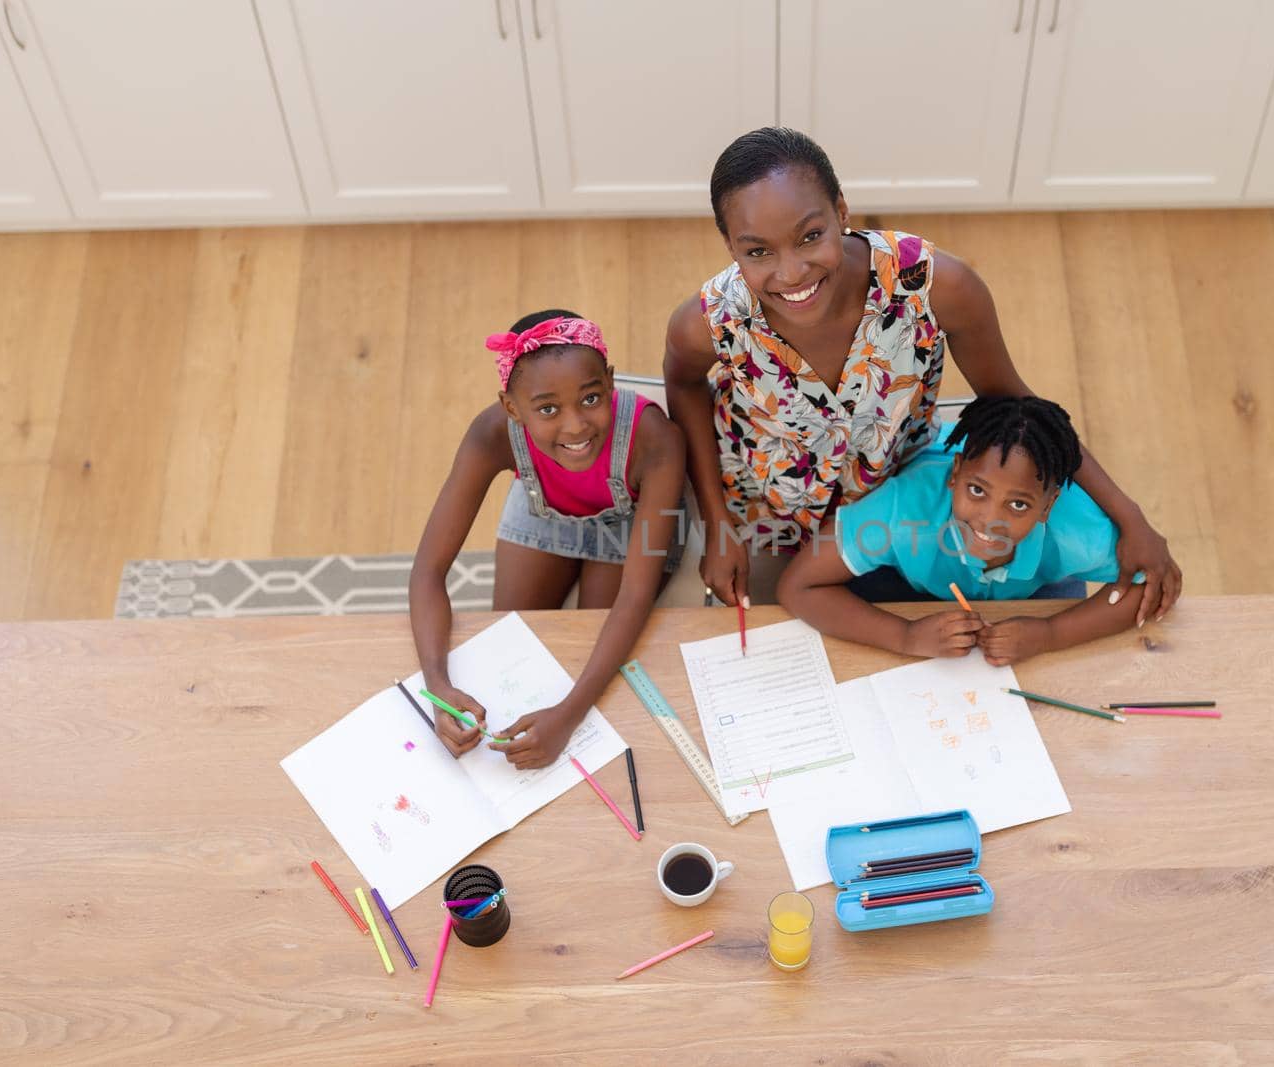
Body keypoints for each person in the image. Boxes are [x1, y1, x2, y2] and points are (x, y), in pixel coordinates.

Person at [663, 127, 1179, 622]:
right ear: (730, 246)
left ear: (841, 210)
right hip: (761, 510)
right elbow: (684, 382)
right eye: (757, 251)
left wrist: (1130, 517)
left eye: (810, 236)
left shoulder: (936, 286)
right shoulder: (708, 320)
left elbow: (1016, 404)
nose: (792, 271)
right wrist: (718, 524)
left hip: (893, 499)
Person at [408, 310, 684, 768]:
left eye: (591, 398)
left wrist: (567, 718)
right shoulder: (493, 433)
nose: (575, 426)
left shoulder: (657, 439)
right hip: (543, 513)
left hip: (630, 524)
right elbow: (428, 571)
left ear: (610, 382)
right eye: (548, 409)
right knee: (513, 646)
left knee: (587, 659)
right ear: (512, 408)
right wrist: (438, 687)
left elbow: (634, 596)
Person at [777, 396, 1141, 665]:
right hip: (912, 580)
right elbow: (798, 586)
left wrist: (1050, 634)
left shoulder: (1076, 530)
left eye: (1018, 505)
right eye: (977, 491)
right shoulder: (902, 510)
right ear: (955, 475)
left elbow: (1147, 586)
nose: (989, 520)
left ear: (1048, 505)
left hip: (1037, 588)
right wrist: (905, 635)